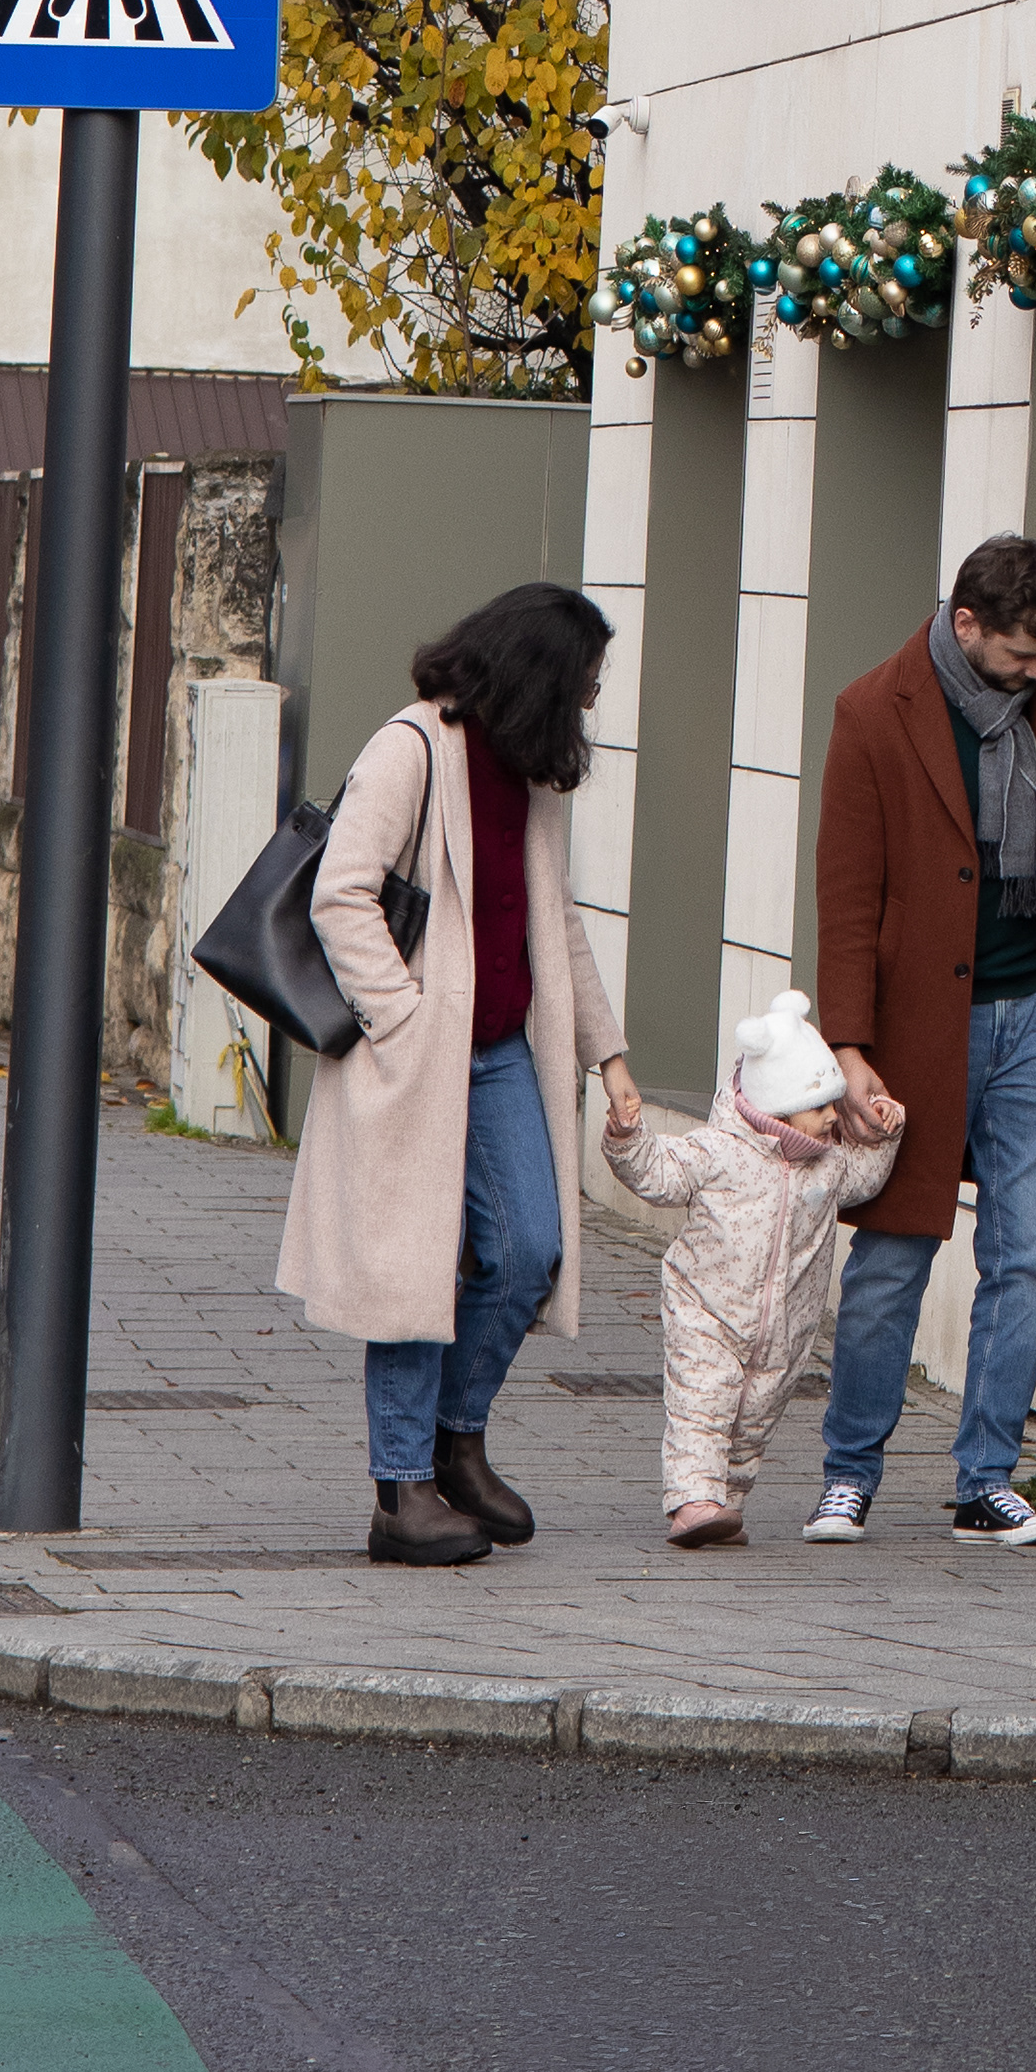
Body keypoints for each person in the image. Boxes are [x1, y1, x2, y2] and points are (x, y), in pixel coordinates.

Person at [275, 578, 640, 1567]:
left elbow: (557, 920)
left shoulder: (528, 768)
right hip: (415, 1058)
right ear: (538, 677)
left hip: (502, 1056)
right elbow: (343, 894)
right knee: (411, 1265)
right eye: (585, 684)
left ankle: (454, 1439)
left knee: (529, 1247)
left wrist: (607, 1055)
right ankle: (402, 1494)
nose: (594, 703)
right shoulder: (412, 748)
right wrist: (405, 1021)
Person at [806, 531, 1036, 1546]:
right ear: (967, 622)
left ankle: (985, 1479)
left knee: (1026, 1258)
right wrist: (849, 1047)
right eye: (1023, 655)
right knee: (895, 1253)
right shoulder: (873, 709)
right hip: (918, 1026)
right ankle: (849, 1472)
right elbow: (849, 895)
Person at [604, 989, 903, 1546]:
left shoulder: (828, 1165)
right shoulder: (719, 1150)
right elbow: (657, 1174)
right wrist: (628, 1136)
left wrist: (886, 1133)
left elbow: (864, 1182)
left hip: (785, 1329)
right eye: (821, 1109)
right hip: (707, 1309)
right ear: (778, 1106)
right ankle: (693, 1499)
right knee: (704, 1401)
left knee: (754, 1418)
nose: (832, 1120)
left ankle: (725, 1504)